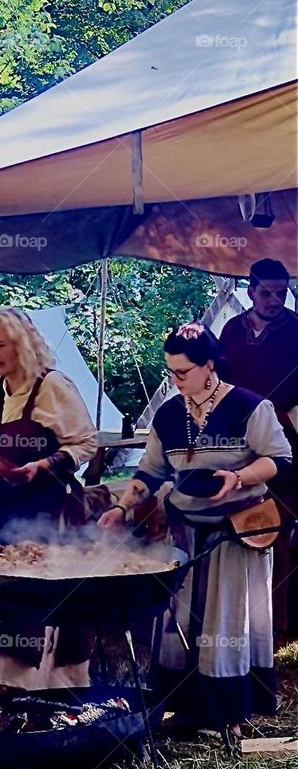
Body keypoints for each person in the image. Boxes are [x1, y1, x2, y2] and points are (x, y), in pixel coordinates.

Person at [99, 323, 292, 730]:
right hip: (184, 529)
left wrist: (238, 478)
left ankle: (226, 712)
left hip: (235, 530)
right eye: (170, 371)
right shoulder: (170, 414)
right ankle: (184, 707)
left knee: (224, 620)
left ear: (208, 366)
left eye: (181, 372)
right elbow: (150, 472)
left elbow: (281, 460)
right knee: (180, 621)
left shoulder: (249, 407)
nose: (174, 379)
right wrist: (121, 508)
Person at [0, 307, 97, 689]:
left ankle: (51, 689)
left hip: (49, 513)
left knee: (43, 601)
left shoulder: (53, 387)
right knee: (5, 598)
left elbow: (86, 443)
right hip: (1, 515)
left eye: (2, 344)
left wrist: (42, 465)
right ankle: (3, 686)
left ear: (23, 344)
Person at [219, 258, 298, 639]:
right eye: (266, 292)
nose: (274, 299)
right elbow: (217, 377)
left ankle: (276, 623)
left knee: (276, 529)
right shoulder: (233, 329)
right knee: (234, 528)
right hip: (237, 442)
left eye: (281, 293)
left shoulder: (295, 330)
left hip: (284, 443)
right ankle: (236, 618)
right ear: (250, 290)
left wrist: (280, 412)